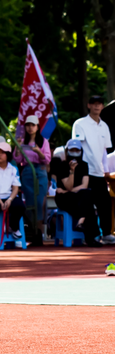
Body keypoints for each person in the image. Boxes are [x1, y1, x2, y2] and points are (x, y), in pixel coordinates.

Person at [72, 95, 115, 244]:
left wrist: (105, 169)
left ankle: (107, 234)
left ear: (102, 106)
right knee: (87, 203)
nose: (97, 107)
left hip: (99, 171)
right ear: (88, 105)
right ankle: (91, 236)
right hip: (85, 171)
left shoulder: (104, 126)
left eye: (99, 104)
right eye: (94, 104)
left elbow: (104, 150)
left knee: (105, 203)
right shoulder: (80, 124)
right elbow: (77, 146)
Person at [54, 139, 102, 247]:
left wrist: (69, 190)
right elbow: (69, 186)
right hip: (64, 198)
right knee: (87, 202)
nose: (74, 152)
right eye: (72, 150)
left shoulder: (84, 165)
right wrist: (72, 171)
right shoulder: (62, 166)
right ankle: (90, 236)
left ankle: (81, 222)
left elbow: (84, 186)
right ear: (67, 151)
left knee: (86, 194)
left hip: (79, 196)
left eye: (77, 150)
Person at [13, 115, 51, 246]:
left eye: (32, 125)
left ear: (37, 127)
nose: (30, 128)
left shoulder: (43, 141)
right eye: (28, 125)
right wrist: (17, 148)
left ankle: (39, 232)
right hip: (27, 171)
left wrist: (38, 151)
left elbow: (46, 159)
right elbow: (17, 160)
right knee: (29, 203)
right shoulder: (22, 142)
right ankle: (33, 233)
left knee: (39, 202)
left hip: (40, 171)